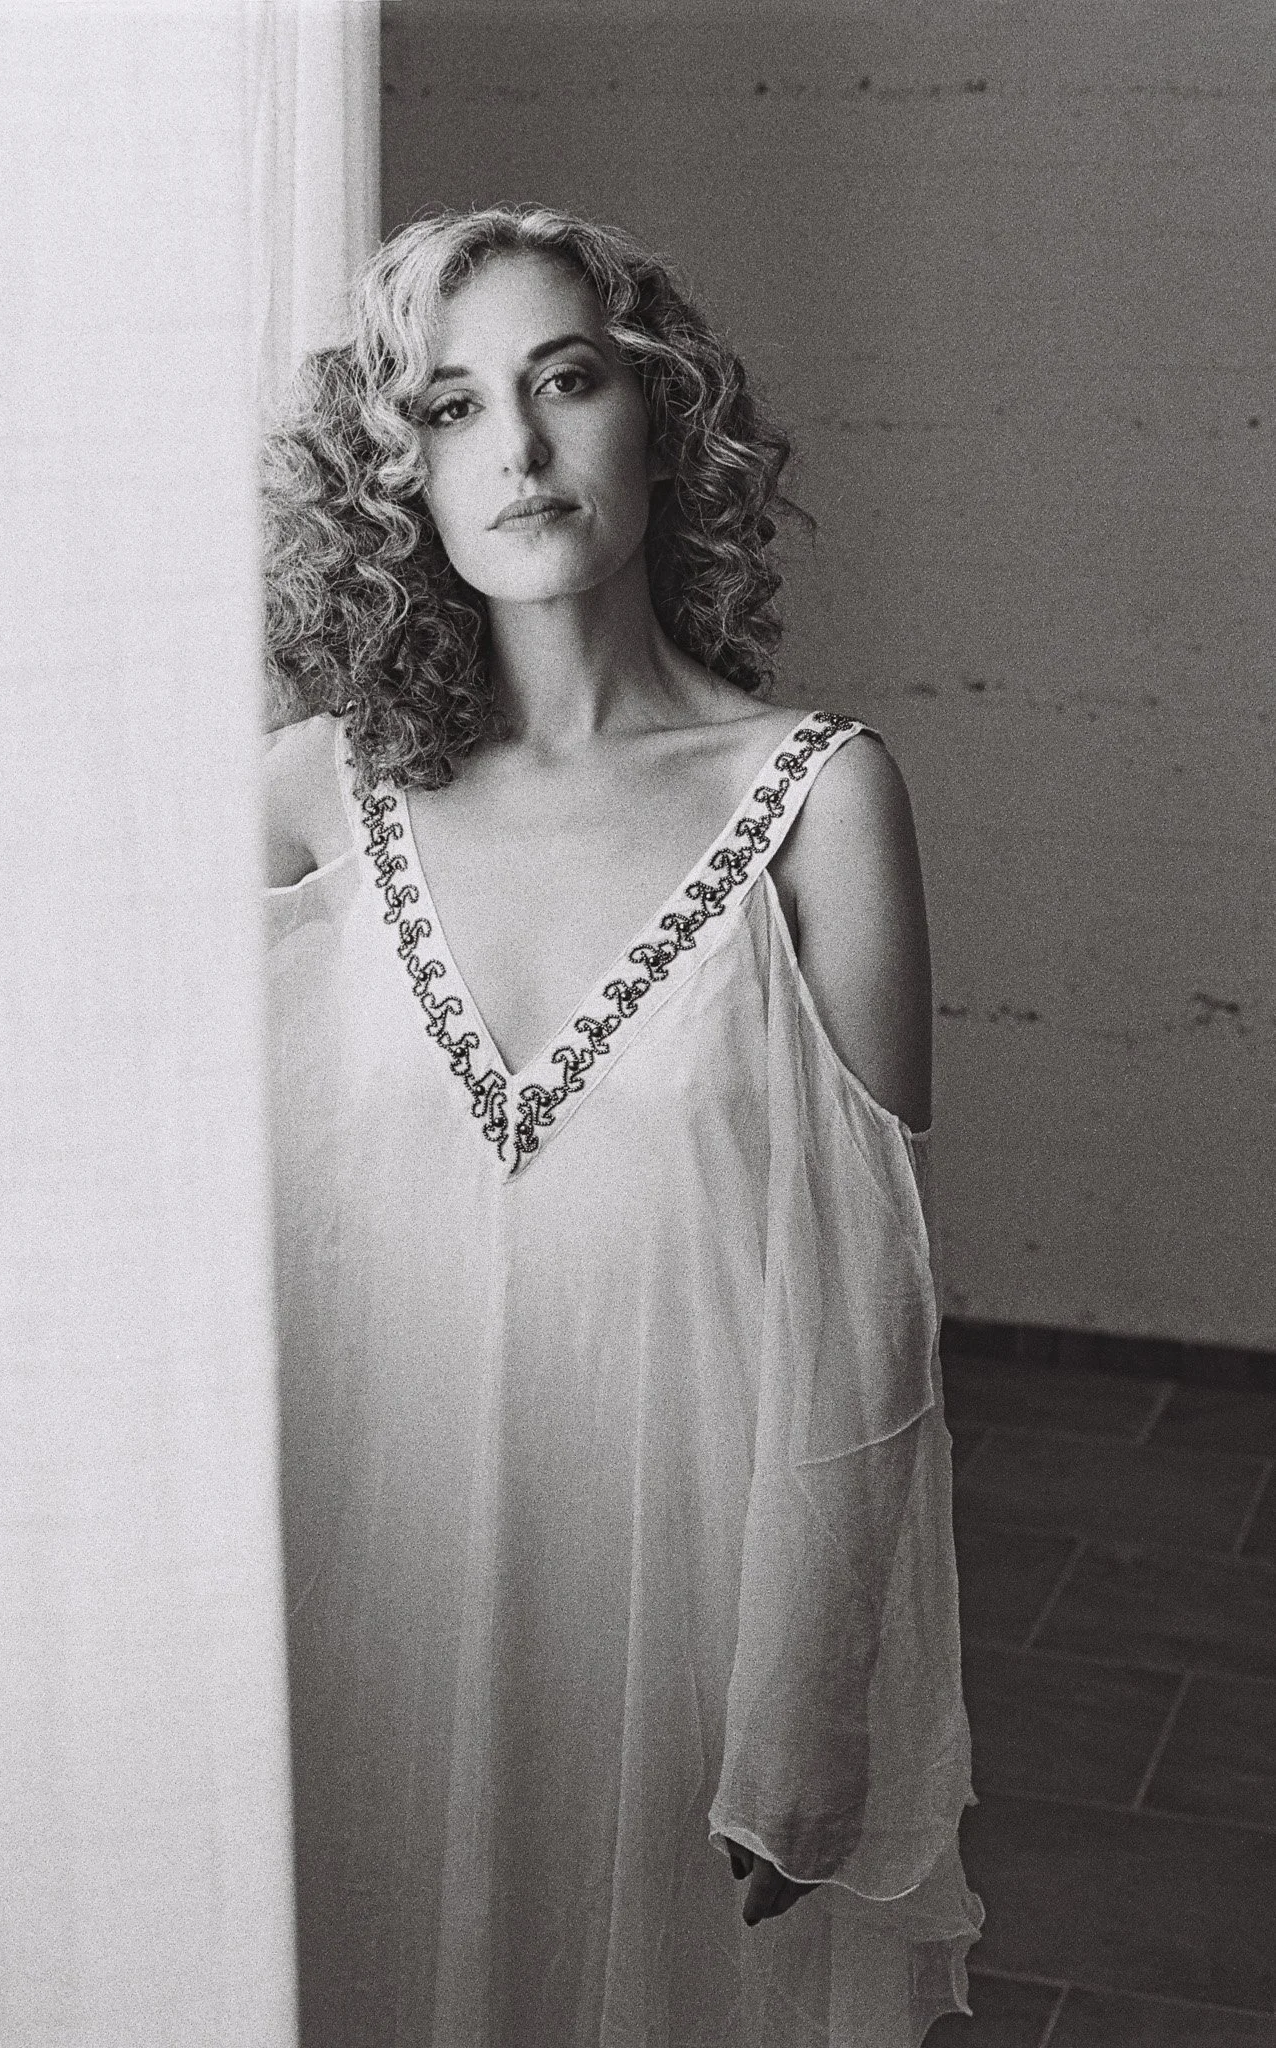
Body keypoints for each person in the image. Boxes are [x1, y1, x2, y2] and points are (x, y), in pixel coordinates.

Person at [260, 203, 983, 2047]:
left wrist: (815, 1690)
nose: (514, 446)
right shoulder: (306, 802)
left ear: (659, 418)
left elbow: (868, 1296)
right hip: (370, 1585)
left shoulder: (816, 798)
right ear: (395, 472)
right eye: (448, 406)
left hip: (686, 1606)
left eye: (564, 381)